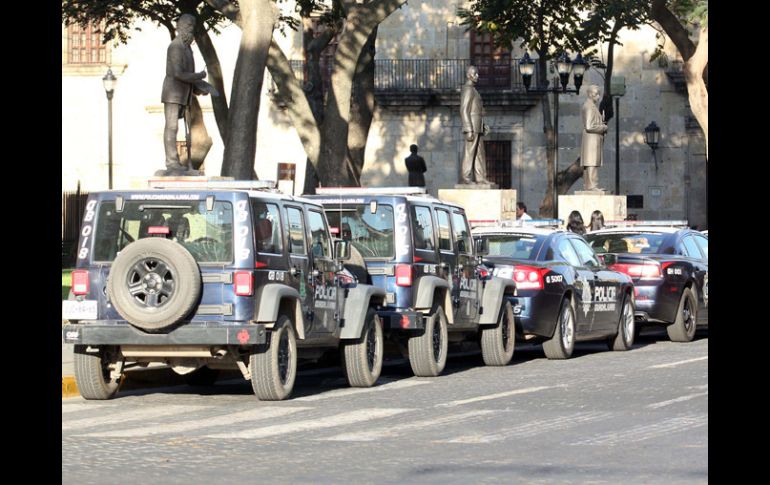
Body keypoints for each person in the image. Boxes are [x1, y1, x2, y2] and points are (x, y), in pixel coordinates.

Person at [161, 14, 216, 175]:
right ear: (181, 27)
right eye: (189, 26)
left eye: (193, 26)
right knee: (172, 127)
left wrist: (199, 88)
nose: (191, 29)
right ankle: (172, 163)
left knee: (186, 130)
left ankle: (188, 164)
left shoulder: (188, 48)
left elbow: (187, 75)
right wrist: (199, 76)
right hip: (172, 93)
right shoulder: (175, 47)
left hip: (185, 93)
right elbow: (178, 73)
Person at [459, 65, 491, 185]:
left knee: (479, 153)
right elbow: (464, 110)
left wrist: (483, 126)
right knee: (470, 152)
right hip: (472, 126)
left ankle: (480, 178)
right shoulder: (467, 89)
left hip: (477, 126)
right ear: (468, 75)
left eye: (477, 73)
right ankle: (465, 178)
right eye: (475, 73)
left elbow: (477, 111)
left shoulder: (474, 90)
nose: (477, 76)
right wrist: (468, 128)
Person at [581, 85, 608, 191]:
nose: (598, 97)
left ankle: (590, 185)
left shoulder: (591, 106)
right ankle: (592, 186)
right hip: (591, 139)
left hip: (592, 139)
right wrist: (603, 127)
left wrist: (601, 121)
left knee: (592, 162)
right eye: (597, 95)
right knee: (591, 162)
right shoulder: (589, 107)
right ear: (592, 94)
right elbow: (589, 126)